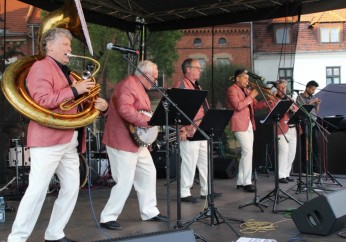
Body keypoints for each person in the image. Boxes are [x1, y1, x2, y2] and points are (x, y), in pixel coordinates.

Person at [7, 28, 108, 242]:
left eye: (69, 45)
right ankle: (16, 238)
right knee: (37, 191)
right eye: (65, 44)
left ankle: (54, 233)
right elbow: (43, 99)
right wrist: (75, 90)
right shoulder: (41, 67)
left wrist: (99, 104)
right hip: (47, 140)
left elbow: (76, 103)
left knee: (72, 188)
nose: (69, 49)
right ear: (49, 46)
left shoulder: (68, 72)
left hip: (68, 139)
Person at [100, 60, 168, 230]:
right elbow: (125, 109)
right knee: (124, 180)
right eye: (154, 76)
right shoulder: (129, 85)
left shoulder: (140, 87)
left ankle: (149, 211)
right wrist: (149, 122)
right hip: (122, 140)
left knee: (148, 173)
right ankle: (108, 217)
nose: (156, 79)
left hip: (136, 141)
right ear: (143, 74)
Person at [172, 58, 221, 204]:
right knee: (189, 161)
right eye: (197, 67)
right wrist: (181, 129)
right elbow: (176, 109)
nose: (200, 70)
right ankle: (184, 192)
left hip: (200, 128)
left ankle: (207, 190)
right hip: (189, 130)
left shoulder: (196, 86)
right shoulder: (180, 85)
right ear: (188, 69)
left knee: (204, 160)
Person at [226, 69, 270, 192]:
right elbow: (238, 106)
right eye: (245, 78)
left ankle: (240, 181)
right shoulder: (232, 90)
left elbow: (255, 106)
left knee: (246, 153)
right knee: (247, 151)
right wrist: (251, 96)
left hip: (249, 124)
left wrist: (267, 103)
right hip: (239, 123)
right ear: (237, 78)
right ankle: (247, 182)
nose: (247, 81)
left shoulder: (246, 90)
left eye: (247, 78)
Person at [271, 80, 298, 183]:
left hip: (292, 128)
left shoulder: (290, 99)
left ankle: (286, 173)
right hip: (281, 128)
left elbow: (297, 109)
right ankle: (280, 175)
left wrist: (293, 109)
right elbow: (271, 112)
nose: (283, 90)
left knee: (292, 153)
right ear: (277, 89)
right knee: (284, 152)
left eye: (284, 88)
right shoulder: (273, 99)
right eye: (280, 88)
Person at [296, 80, 321, 175]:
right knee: (306, 147)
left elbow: (316, 111)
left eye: (314, 90)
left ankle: (315, 169)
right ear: (307, 88)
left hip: (313, 123)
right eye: (312, 89)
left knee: (316, 147)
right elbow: (302, 108)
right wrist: (312, 102)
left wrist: (317, 104)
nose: (313, 92)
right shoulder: (300, 97)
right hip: (305, 123)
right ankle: (305, 170)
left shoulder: (313, 97)